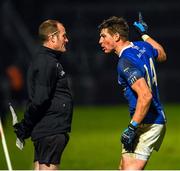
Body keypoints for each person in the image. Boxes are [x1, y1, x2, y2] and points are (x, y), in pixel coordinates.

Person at [98, 15, 167, 170]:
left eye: (103, 36)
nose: (100, 41)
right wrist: (145, 34)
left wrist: (132, 127)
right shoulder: (142, 46)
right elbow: (162, 54)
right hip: (144, 119)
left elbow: (145, 95)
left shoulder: (125, 62)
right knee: (123, 167)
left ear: (116, 36)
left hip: (149, 122)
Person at [13, 20, 73, 170]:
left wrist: (25, 127)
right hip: (50, 130)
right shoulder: (46, 62)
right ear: (53, 38)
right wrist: (24, 126)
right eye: (63, 36)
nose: (67, 39)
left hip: (47, 130)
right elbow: (40, 99)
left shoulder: (47, 59)